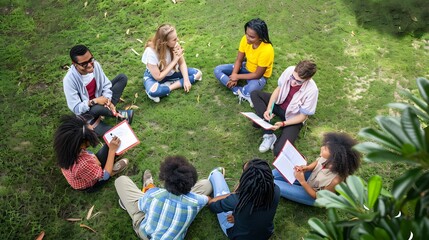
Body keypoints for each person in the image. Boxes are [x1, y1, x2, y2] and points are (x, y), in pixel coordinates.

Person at [115, 156, 212, 240]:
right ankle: (148, 186)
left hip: (146, 234)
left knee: (121, 180)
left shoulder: (154, 195)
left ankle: (147, 186)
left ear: (165, 179)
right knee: (206, 184)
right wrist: (208, 199)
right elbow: (208, 199)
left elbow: (141, 206)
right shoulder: (197, 201)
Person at [273, 132, 361, 206]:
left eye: (325, 149)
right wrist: (307, 168)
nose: (322, 148)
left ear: (335, 157)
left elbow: (320, 197)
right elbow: (317, 162)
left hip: (313, 196)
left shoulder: (335, 180)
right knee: (276, 173)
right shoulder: (327, 159)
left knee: (275, 184)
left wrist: (302, 182)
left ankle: (266, 185)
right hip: (311, 179)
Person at [250, 60, 318, 155]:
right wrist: (269, 108)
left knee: (278, 151)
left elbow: (303, 117)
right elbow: (278, 90)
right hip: (279, 104)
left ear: (308, 79)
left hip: (293, 117)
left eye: (299, 81)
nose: (293, 82)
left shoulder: (312, 90)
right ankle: (268, 133)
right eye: (293, 77)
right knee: (255, 94)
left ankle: (263, 123)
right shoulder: (289, 70)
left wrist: (283, 124)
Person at [63, 44, 133, 136]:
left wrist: (107, 100)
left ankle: (110, 110)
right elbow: (76, 108)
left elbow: (106, 85)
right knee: (114, 134)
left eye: (90, 60)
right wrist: (95, 101)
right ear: (74, 64)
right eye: (84, 64)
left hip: (102, 101)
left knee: (122, 78)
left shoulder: (95, 65)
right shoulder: (69, 80)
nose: (90, 65)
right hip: (88, 112)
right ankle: (118, 114)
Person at [208, 159, 280, 239]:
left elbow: (213, 205)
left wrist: (235, 193)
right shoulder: (276, 190)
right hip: (265, 234)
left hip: (240, 235)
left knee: (216, 175)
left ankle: (215, 174)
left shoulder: (238, 199)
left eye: (244, 172)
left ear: (247, 179)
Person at [54, 114, 128, 192]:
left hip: (84, 171)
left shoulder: (67, 148)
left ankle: (109, 161)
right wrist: (112, 151)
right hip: (90, 184)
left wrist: (94, 158)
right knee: (109, 158)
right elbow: (104, 176)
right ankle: (112, 171)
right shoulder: (83, 164)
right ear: (82, 143)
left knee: (108, 146)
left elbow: (87, 152)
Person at [214, 18, 274, 107]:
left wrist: (237, 76)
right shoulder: (244, 39)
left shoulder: (267, 50)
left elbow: (257, 74)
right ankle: (241, 92)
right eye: (247, 34)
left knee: (251, 89)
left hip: (259, 76)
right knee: (217, 70)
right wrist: (234, 76)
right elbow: (239, 60)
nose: (248, 38)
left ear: (261, 37)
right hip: (245, 67)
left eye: (252, 37)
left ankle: (241, 91)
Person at [142, 24, 202, 103]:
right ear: (164, 42)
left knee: (198, 73)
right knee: (153, 92)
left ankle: (166, 87)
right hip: (153, 77)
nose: (177, 40)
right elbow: (158, 77)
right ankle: (169, 86)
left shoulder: (175, 45)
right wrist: (174, 61)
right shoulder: (150, 52)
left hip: (171, 74)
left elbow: (182, 63)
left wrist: (186, 80)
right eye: (174, 39)